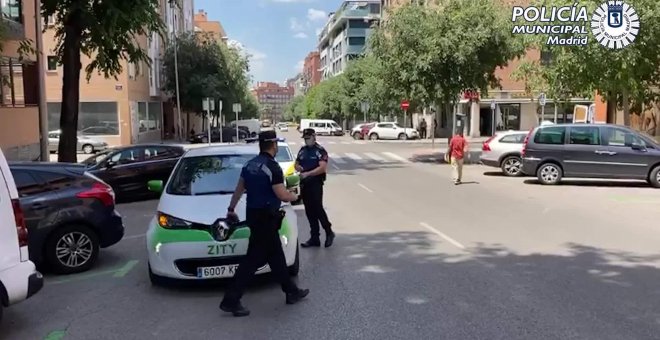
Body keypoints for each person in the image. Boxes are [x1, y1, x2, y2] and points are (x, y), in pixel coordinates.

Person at [220, 130, 309, 317]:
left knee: (276, 257)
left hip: (254, 215)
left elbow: (239, 188)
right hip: (266, 218)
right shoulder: (273, 167)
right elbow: (282, 194)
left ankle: (291, 291)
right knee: (252, 260)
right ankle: (231, 299)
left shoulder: (250, 165)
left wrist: (231, 208)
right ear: (273, 145)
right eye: (276, 143)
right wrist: (296, 196)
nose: (276, 146)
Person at [295, 128, 335, 248]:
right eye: (305, 139)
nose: (307, 140)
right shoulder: (302, 150)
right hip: (305, 184)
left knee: (318, 208)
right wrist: (298, 168)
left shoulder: (320, 151)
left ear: (314, 137)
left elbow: (322, 167)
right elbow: (296, 163)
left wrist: (308, 173)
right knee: (309, 211)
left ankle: (329, 232)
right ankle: (314, 237)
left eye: (308, 138)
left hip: (315, 183)